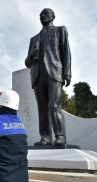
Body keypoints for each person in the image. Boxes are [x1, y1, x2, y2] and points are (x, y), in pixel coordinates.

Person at [25, 8, 71, 146]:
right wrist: (31, 56)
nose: (42, 16)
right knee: (42, 108)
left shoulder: (59, 30)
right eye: (40, 15)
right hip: (38, 76)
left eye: (46, 14)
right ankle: (45, 138)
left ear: (53, 16)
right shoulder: (34, 39)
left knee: (55, 106)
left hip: (54, 74)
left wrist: (66, 73)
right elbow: (27, 63)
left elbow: (66, 52)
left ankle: (60, 136)